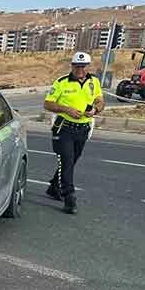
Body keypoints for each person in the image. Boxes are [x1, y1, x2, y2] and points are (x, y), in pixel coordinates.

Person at [44, 51, 105, 214]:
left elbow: (100, 100)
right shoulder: (61, 82)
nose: (80, 70)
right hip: (64, 128)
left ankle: (54, 187)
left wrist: (96, 109)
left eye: (83, 67)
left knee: (71, 161)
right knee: (67, 160)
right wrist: (66, 109)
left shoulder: (94, 82)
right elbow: (48, 104)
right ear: (72, 66)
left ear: (88, 67)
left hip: (83, 128)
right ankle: (69, 197)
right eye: (77, 66)